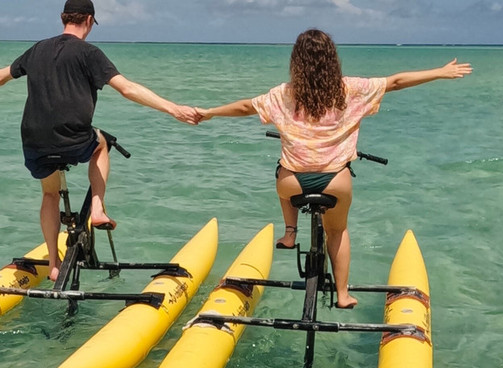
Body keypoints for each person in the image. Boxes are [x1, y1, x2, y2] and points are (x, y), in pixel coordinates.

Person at [197, 28, 471, 309]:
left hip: (293, 183)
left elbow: (246, 107)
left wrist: (209, 113)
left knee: (282, 170)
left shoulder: (283, 94)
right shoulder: (350, 90)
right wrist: (439, 72)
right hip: (335, 182)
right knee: (337, 232)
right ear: (332, 59)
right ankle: (342, 294)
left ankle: (290, 233)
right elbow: (396, 82)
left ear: (296, 62)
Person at [0, 0, 202, 280]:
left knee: (49, 194)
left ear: (63, 18)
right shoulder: (89, 53)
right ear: (89, 21)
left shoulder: (38, 49)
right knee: (101, 143)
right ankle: (98, 208)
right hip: (73, 138)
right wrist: (172, 108)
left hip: (34, 140)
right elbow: (127, 88)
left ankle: (54, 264)